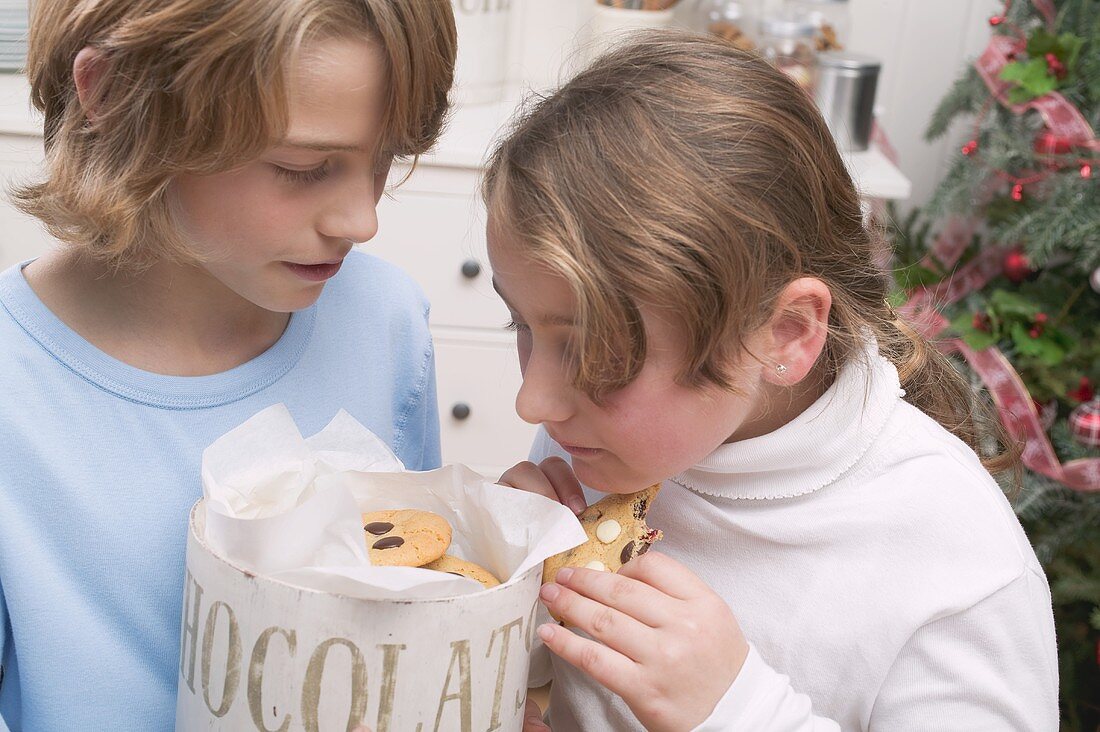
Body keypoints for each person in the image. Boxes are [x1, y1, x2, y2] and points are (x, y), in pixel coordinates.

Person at [488, 31, 1059, 731]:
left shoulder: (960, 565)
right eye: (521, 325)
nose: (534, 402)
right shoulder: (594, 448)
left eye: (598, 353)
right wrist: (505, 598)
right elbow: (556, 683)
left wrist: (737, 710)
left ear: (786, 334)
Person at [0, 1, 455, 728]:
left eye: (385, 158)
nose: (361, 220)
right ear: (115, 100)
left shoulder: (386, 321)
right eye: (303, 168)